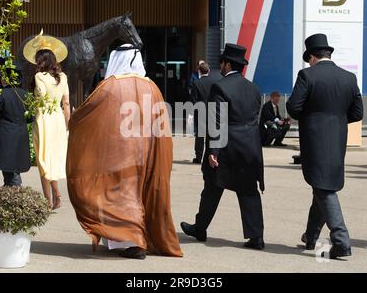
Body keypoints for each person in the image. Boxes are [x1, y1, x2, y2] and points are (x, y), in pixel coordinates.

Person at [66, 43, 183, 260]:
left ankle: (134, 240)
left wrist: (74, 120)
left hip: (118, 155)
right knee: (138, 194)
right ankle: (135, 238)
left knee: (119, 196)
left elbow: (88, 115)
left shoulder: (109, 86)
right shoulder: (153, 87)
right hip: (146, 155)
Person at [286, 33, 364, 260]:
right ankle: (311, 238)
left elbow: (293, 108)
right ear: (328, 53)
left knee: (324, 189)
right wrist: (335, 120)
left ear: (312, 56)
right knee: (320, 186)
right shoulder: (349, 77)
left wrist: (314, 119)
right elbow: (358, 113)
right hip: (338, 139)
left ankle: (341, 242)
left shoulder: (307, 75)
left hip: (314, 140)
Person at [181, 44, 265, 250]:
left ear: (227, 64)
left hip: (227, 148)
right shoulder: (254, 88)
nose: (221, 67)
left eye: (222, 63)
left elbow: (217, 121)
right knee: (249, 191)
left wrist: (213, 151)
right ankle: (256, 237)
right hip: (249, 147)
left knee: (211, 187)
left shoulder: (220, 87)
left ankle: (200, 228)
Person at [23, 30, 70, 210]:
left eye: (37, 59)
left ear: (42, 61)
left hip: (43, 119)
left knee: (43, 160)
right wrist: (67, 125)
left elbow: (40, 98)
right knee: (53, 158)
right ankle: (56, 195)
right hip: (58, 119)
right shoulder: (63, 77)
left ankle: (48, 200)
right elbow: (66, 103)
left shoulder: (38, 76)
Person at [0, 64, 32, 187]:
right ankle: (13, 196)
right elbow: (31, 117)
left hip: (5, 136)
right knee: (14, 170)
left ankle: (14, 197)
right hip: (21, 135)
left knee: (10, 173)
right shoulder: (25, 95)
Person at [190, 62, 220, 164]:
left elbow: (194, 100)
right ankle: (211, 156)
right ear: (209, 71)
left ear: (199, 71)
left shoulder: (196, 83)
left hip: (201, 112)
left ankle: (198, 158)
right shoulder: (215, 82)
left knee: (200, 136)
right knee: (212, 135)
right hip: (213, 111)